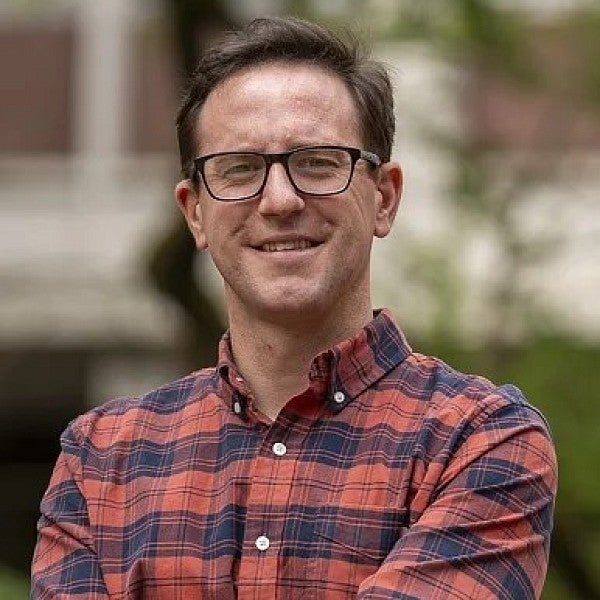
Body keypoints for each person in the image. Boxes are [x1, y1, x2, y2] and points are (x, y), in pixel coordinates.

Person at [31, 16, 557, 599]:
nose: (280, 200)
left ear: (383, 197)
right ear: (195, 213)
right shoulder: (101, 459)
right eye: (238, 169)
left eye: (317, 163)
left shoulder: (479, 442)